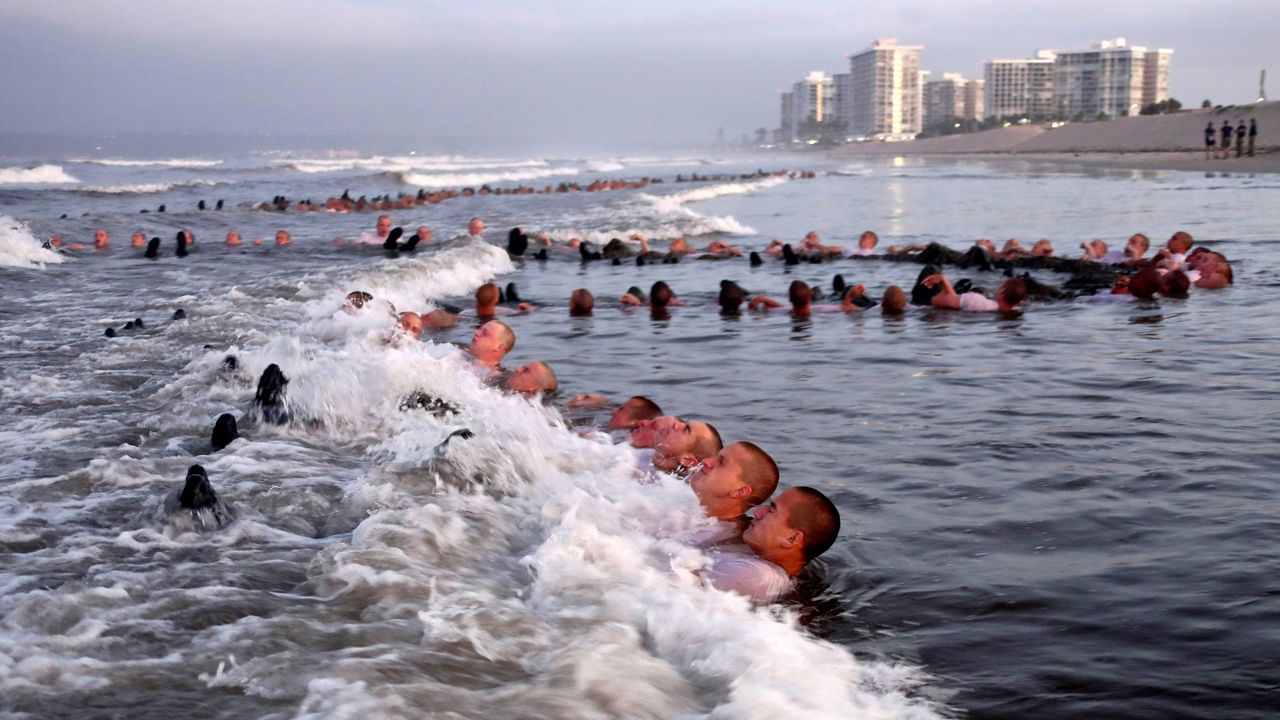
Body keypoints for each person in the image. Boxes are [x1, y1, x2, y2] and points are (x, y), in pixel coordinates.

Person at [704, 486, 841, 603]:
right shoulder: (759, 562)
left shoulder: (754, 575)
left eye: (771, 511)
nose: (757, 512)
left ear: (791, 539)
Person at [689, 442, 779, 524]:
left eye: (721, 462)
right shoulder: (687, 511)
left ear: (739, 491)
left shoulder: (725, 537)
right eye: (717, 456)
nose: (706, 461)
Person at [921, 273, 1027, 312]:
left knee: (931, 269)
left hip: (925, 301)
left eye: (1000, 287)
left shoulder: (978, 302)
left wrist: (943, 280)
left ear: (1002, 293)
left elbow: (937, 301)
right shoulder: (1012, 308)